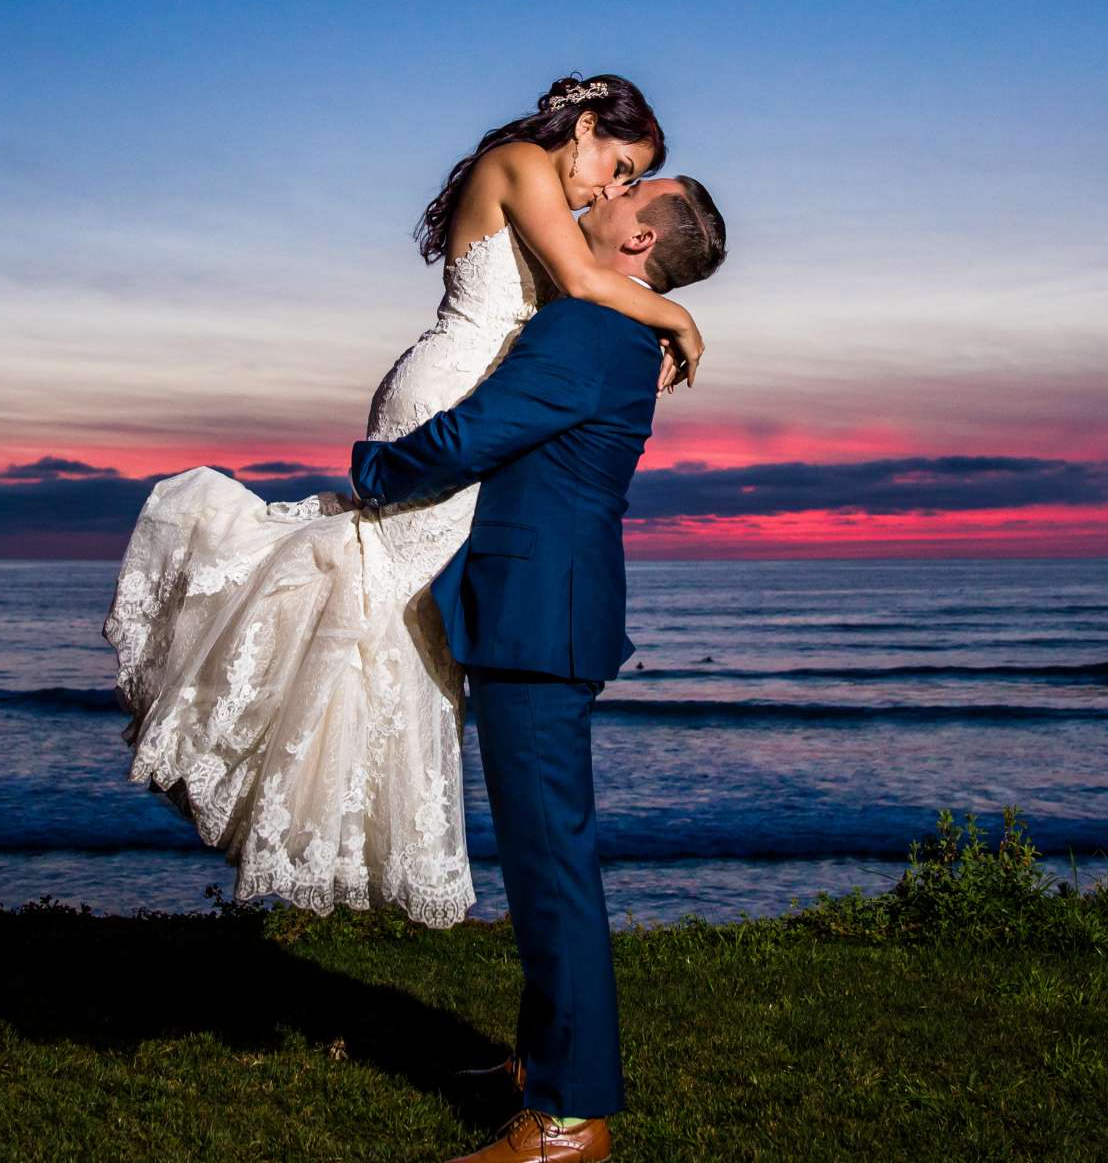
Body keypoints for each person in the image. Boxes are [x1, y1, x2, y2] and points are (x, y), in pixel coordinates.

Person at [104, 75, 704, 927]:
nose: (610, 187)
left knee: (382, 623)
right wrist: (681, 323)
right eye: (618, 162)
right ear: (582, 126)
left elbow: (588, 287)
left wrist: (653, 309)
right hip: (445, 401)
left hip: (464, 403)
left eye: (628, 180)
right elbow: (578, 280)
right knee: (361, 593)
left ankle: (295, 787)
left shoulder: (548, 189)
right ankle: (245, 746)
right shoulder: (524, 163)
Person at [352, 171, 728, 1163]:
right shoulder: (611, 324)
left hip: (537, 622)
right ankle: (537, 1065)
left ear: (640, 242)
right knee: (543, 862)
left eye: (633, 191)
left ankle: (570, 1119)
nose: (608, 190)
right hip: (541, 614)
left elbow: (478, 435)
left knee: (552, 869)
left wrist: (375, 472)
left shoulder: (590, 332)